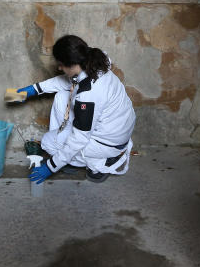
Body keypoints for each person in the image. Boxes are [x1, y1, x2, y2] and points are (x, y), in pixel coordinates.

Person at [15, 35, 135, 184]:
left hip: (108, 142)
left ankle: (104, 162)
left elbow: (79, 139)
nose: (59, 68)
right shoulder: (95, 59)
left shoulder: (88, 95)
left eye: (61, 64)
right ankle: (63, 153)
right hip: (115, 125)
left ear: (72, 64)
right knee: (61, 97)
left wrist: (51, 166)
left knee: (47, 143)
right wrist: (33, 89)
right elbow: (68, 81)